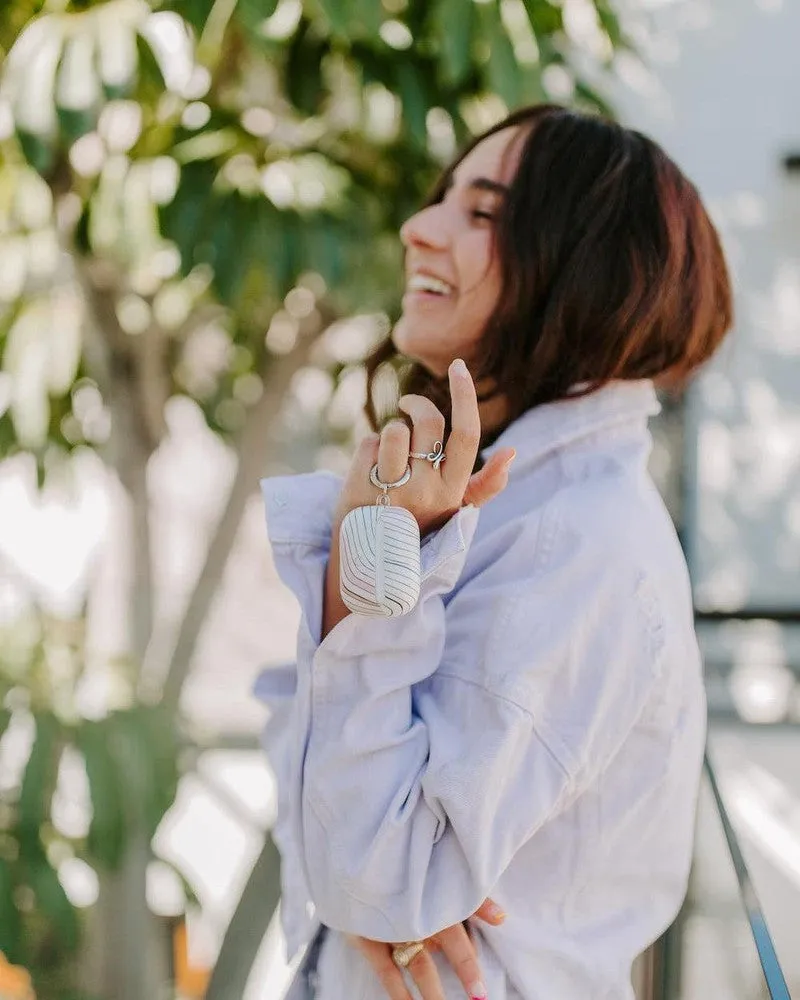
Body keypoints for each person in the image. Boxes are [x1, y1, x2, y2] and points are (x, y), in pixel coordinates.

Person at [255, 103, 733, 1000]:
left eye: (481, 214)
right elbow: (318, 802)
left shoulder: (573, 544)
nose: (417, 228)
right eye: (446, 199)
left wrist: (374, 886)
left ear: (589, 268)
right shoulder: (494, 505)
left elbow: (377, 874)